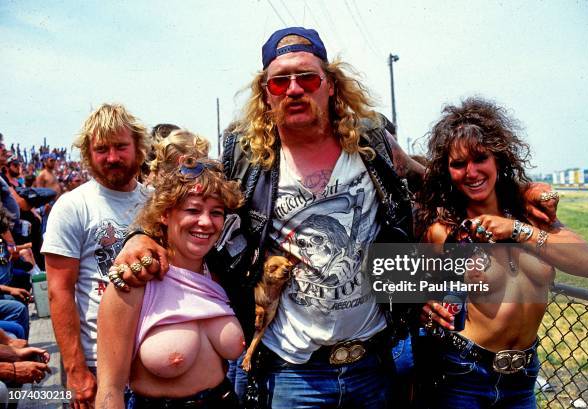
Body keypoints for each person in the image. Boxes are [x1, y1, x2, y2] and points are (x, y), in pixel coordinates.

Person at [113, 28, 558, 408]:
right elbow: (183, 200)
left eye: (307, 77)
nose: (294, 89)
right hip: (293, 373)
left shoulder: (371, 143)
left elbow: (436, 185)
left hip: (373, 363)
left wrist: (517, 190)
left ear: (330, 85)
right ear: (264, 94)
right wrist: (138, 235)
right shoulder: (245, 155)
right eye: (279, 82)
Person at [417, 97, 588, 408]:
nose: (471, 172)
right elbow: (402, 281)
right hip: (463, 376)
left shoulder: (532, 216)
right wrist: (422, 301)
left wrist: (515, 231)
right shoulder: (445, 229)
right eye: (458, 164)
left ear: (497, 159)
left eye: (480, 158)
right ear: (448, 172)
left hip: (523, 380)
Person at [96, 144, 244, 408]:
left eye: (217, 212)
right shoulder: (134, 280)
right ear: (165, 214)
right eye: (193, 210)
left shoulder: (222, 274)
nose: (206, 222)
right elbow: (110, 389)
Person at [42, 103, 149, 408]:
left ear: (138, 147)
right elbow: (58, 291)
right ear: (88, 153)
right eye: (102, 149)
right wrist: (75, 370)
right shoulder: (73, 206)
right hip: (96, 362)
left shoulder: (155, 202)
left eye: (120, 146)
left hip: (151, 358)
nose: (112, 157)